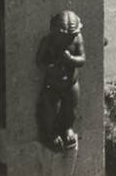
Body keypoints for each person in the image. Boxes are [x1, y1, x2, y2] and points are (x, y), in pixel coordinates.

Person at [35, 11, 86, 151]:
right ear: (55, 32)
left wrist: (70, 59)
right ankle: (50, 133)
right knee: (50, 110)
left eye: (71, 36)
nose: (68, 40)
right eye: (64, 37)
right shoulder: (48, 42)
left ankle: (67, 128)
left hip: (71, 83)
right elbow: (40, 62)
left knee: (70, 109)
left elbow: (82, 60)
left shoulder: (77, 39)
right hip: (53, 83)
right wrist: (51, 69)